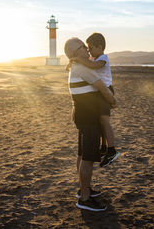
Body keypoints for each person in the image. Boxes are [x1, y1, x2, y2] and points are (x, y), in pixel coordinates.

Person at [64, 37, 116, 212]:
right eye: (82, 47)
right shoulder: (81, 67)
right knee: (88, 159)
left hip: (82, 116)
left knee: (82, 154)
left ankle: (83, 189)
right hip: (88, 118)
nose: (86, 49)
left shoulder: (76, 67)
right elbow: (103, 88)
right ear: (74, 52)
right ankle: (85, 199)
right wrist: (113, 102)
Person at [70, 33, 120, 167]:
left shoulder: (103, 58)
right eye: (87, 48)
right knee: (100, 121)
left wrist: (79, 60)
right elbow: (87, 65)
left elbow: (93, 66)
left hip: (106, 91)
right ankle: (104, 147)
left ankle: (112, 149)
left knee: (104, 120)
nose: (88, 50)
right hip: (99, 93)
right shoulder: (93, 57)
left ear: (100, 47)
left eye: (90, 47)